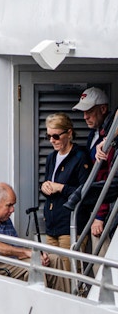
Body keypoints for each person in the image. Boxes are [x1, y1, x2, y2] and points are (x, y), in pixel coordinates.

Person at [0, 183, 70, 293]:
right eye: (9, 205)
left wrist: (37, 254)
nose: (13, 210)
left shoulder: (4, 218)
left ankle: (65, 302)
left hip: (11, 260)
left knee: (54, 259)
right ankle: (40, 307)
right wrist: (27, 253)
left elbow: (16, 247)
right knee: (35, 267)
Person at [41, 113, 91, 269]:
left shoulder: (80, 157)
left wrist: (61, 188)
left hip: (71, 227)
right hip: (51, 226)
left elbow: (87, 192)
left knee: (70, 277)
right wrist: (45, 187)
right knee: (53, 274)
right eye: (48, 136)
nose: (51, 140)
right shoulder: (51, 157)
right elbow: (50, 184)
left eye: (55, 136)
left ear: (69, 133)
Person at [72, 87, 114, 255]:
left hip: (104, 209)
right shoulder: (93, 135)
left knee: (102, 266)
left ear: (103, 109)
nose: (85, 117)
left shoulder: (109, 137)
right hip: (94, 207)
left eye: (89, 111)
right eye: (83, 112)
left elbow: (107, 178)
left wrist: (100, 215)